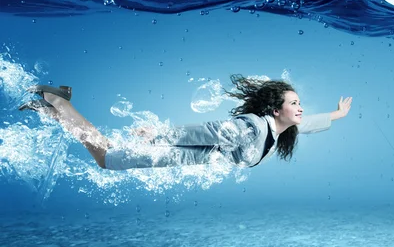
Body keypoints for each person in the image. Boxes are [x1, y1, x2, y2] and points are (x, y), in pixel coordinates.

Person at [18, 74, 352, 170]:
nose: (301, 109)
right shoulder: (253, 127)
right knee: (107, 158)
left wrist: (336, 115)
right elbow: (205, 131)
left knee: (108, 154)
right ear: (276, 110)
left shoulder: (276, 129)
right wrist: (157, 134)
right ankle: (57, 99)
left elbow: (304, 124)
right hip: (174, 150)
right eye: (295, 104)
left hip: (183, 156)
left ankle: (52, 109)